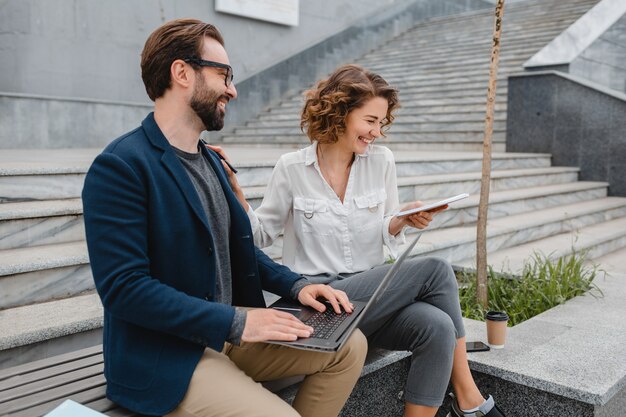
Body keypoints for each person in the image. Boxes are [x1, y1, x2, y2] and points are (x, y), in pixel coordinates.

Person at [81, 20, 368, 417]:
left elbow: (240, 248)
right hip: (167, 354)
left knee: (350, 346)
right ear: (182, 72)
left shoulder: (211, 160)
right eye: (224, 75)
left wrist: (299, 285)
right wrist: (237, 322)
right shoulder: (120, 166)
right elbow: (124, 289)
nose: (232, 90)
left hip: (225, 332)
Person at [220, 64, 506, 417]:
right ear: (340, 112)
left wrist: (400, 220)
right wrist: (237, 196)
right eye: (370, 120)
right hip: (318, 303)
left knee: (438, 327)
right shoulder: (292, 167)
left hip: (369, 297)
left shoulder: (381, 161)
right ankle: (469, 398)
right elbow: (261, 234)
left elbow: (384, 223)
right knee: (435, 270)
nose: (377, 133)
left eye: (381, 123)